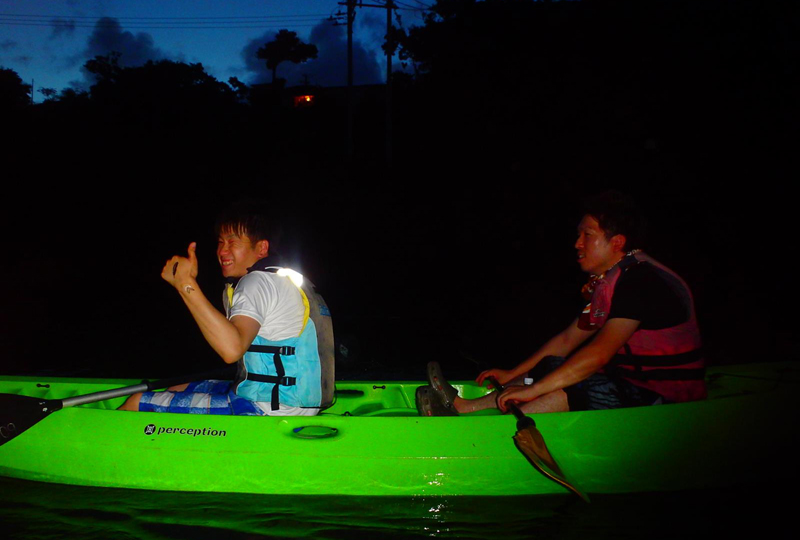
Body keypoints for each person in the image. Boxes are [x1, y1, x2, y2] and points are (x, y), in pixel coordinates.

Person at [418, 191, 705, 416]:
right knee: (551, 366)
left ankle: (496, 435)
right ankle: (465, 407)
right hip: (630, 385)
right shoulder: (609, 281)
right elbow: (568, 339)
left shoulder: (641, 281)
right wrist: (513, 374)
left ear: (617, 242)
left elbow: (599, 355)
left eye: (587, 235)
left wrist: (535, 390)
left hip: (669, 401)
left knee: (577, 386)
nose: (577, 243)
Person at [119, 201, 333, 416]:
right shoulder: (282, 279)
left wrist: (185, 284)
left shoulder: (257, 282)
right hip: (297, 404)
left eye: (233, 242)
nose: (222, 250)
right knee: (177, 388)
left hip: (269, 408)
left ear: (261, 248)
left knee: (136, 402)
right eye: (221, 242)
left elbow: (231, 350)